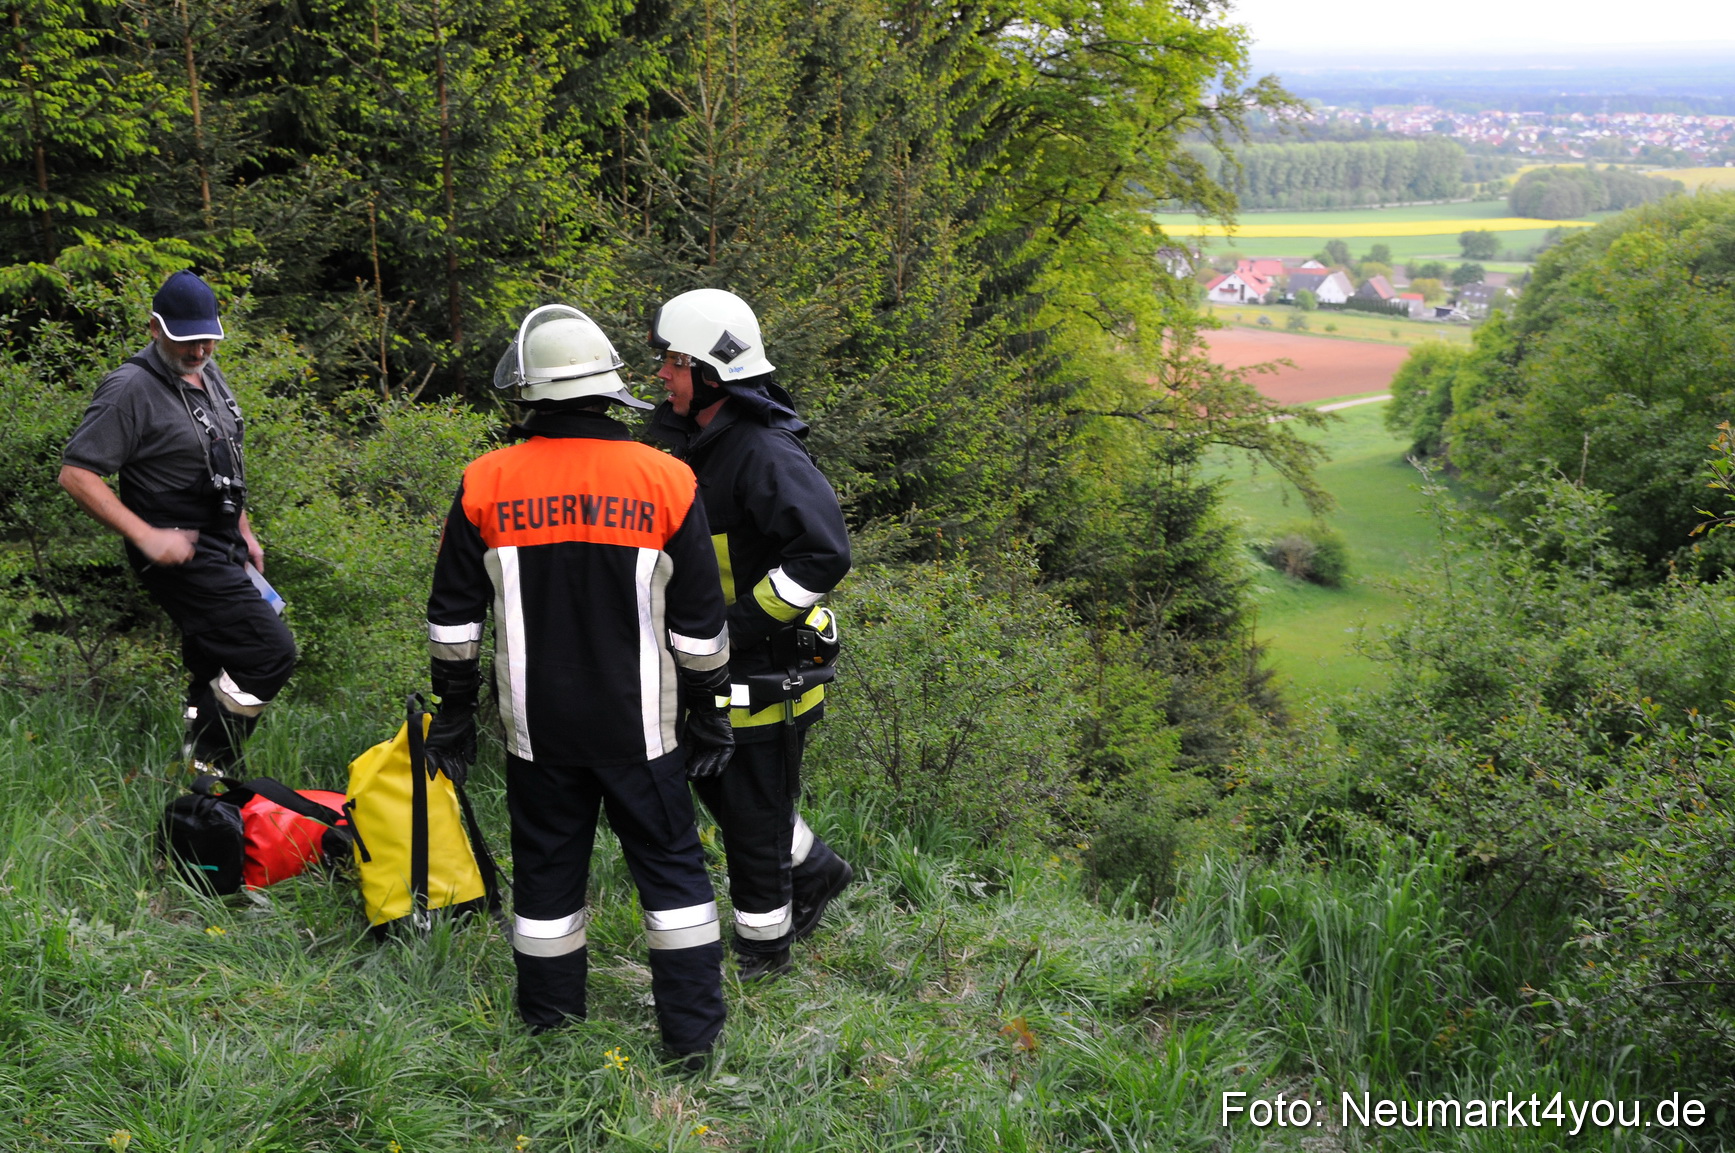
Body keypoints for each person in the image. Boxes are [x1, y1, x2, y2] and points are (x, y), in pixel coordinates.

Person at [423, 305, 733, 1066]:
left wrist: (455, 716)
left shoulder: (484, 482)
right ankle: (692, 1042)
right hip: (645, 731)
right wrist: (711, 713)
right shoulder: (669, 478)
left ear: (529, 393)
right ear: (605, 387)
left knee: (547, 878)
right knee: (672, 875)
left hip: (537, 731)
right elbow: (698, 628)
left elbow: (454, 626)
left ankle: (552, 1030)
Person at [645, 288, 855, 981]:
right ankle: (815, 868)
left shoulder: (763, 452)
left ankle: (764, 957)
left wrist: (737, 626)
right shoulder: (684, 437)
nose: (662, 375)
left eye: (674, 362)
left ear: (711, 371)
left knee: (752, 819)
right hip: (703, 662)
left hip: (763, 668)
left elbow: (823, 554)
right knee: (733, 799)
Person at [59, 270, 295, 772]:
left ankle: (193, 785)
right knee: (269, 651)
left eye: (208, 338)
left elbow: (224, 456)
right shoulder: (129, 389)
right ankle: (207, 766)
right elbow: (77, 474)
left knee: (212, 656)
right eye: (187, 340)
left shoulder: (208, 372)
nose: (199, 350)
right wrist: (146, 537)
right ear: (154, 328)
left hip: (222, 537)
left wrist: (245, 531)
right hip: (175, 546)